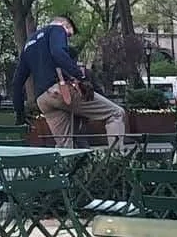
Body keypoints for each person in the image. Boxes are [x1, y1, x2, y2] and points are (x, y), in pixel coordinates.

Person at [10, 15, 125, 145]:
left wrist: (19, 112)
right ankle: (117, 161)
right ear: (65, 25)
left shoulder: (28, 44)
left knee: (65, 146)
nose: (67, 39)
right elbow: (58, 53)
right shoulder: (57, 29)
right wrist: (81, 77)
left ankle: (68, 164)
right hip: (61, 91)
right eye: (69, 35)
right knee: (116, 113)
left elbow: (17, 82)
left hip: (43, 100)